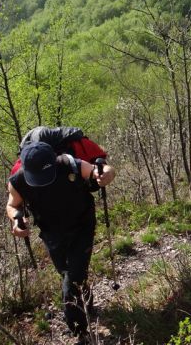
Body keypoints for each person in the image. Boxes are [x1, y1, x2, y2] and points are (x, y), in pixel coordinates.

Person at [6, 141, 115, 340]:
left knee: (71, 280)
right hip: (51, 232)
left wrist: (106, 173)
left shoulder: (68, 163)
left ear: (54, 161)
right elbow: (12, 204)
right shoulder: (18, 180)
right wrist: (15, 220)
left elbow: (101, 170)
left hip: (82, 225)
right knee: (67, 272)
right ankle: (86, 301)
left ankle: (79, 331)